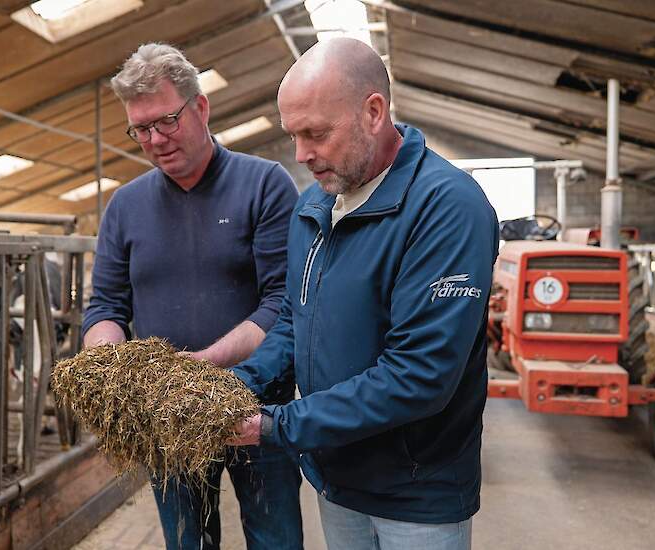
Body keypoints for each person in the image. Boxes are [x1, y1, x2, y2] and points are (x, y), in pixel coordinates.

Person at [228, 37, 499, 550]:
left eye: (316, 133)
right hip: (336, 477)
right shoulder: (315, 207)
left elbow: (419, 376)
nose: (302, 154)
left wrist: (275, 426)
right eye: (293, 136)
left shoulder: (446, 207)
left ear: (373, 112)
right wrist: (237, 386)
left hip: (416, 495)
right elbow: (293, 320)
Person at [81, 43, 303, 550]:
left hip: (256, 406)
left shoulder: (264, 185)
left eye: (166, 121)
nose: (155, 140)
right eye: (140, 129)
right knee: (188, 542)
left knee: (275, 539)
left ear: (200, 108)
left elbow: (281, 303)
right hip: (166, 415)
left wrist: (203, 366)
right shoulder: (125, 206)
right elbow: (106, 307)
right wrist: (111, 359)